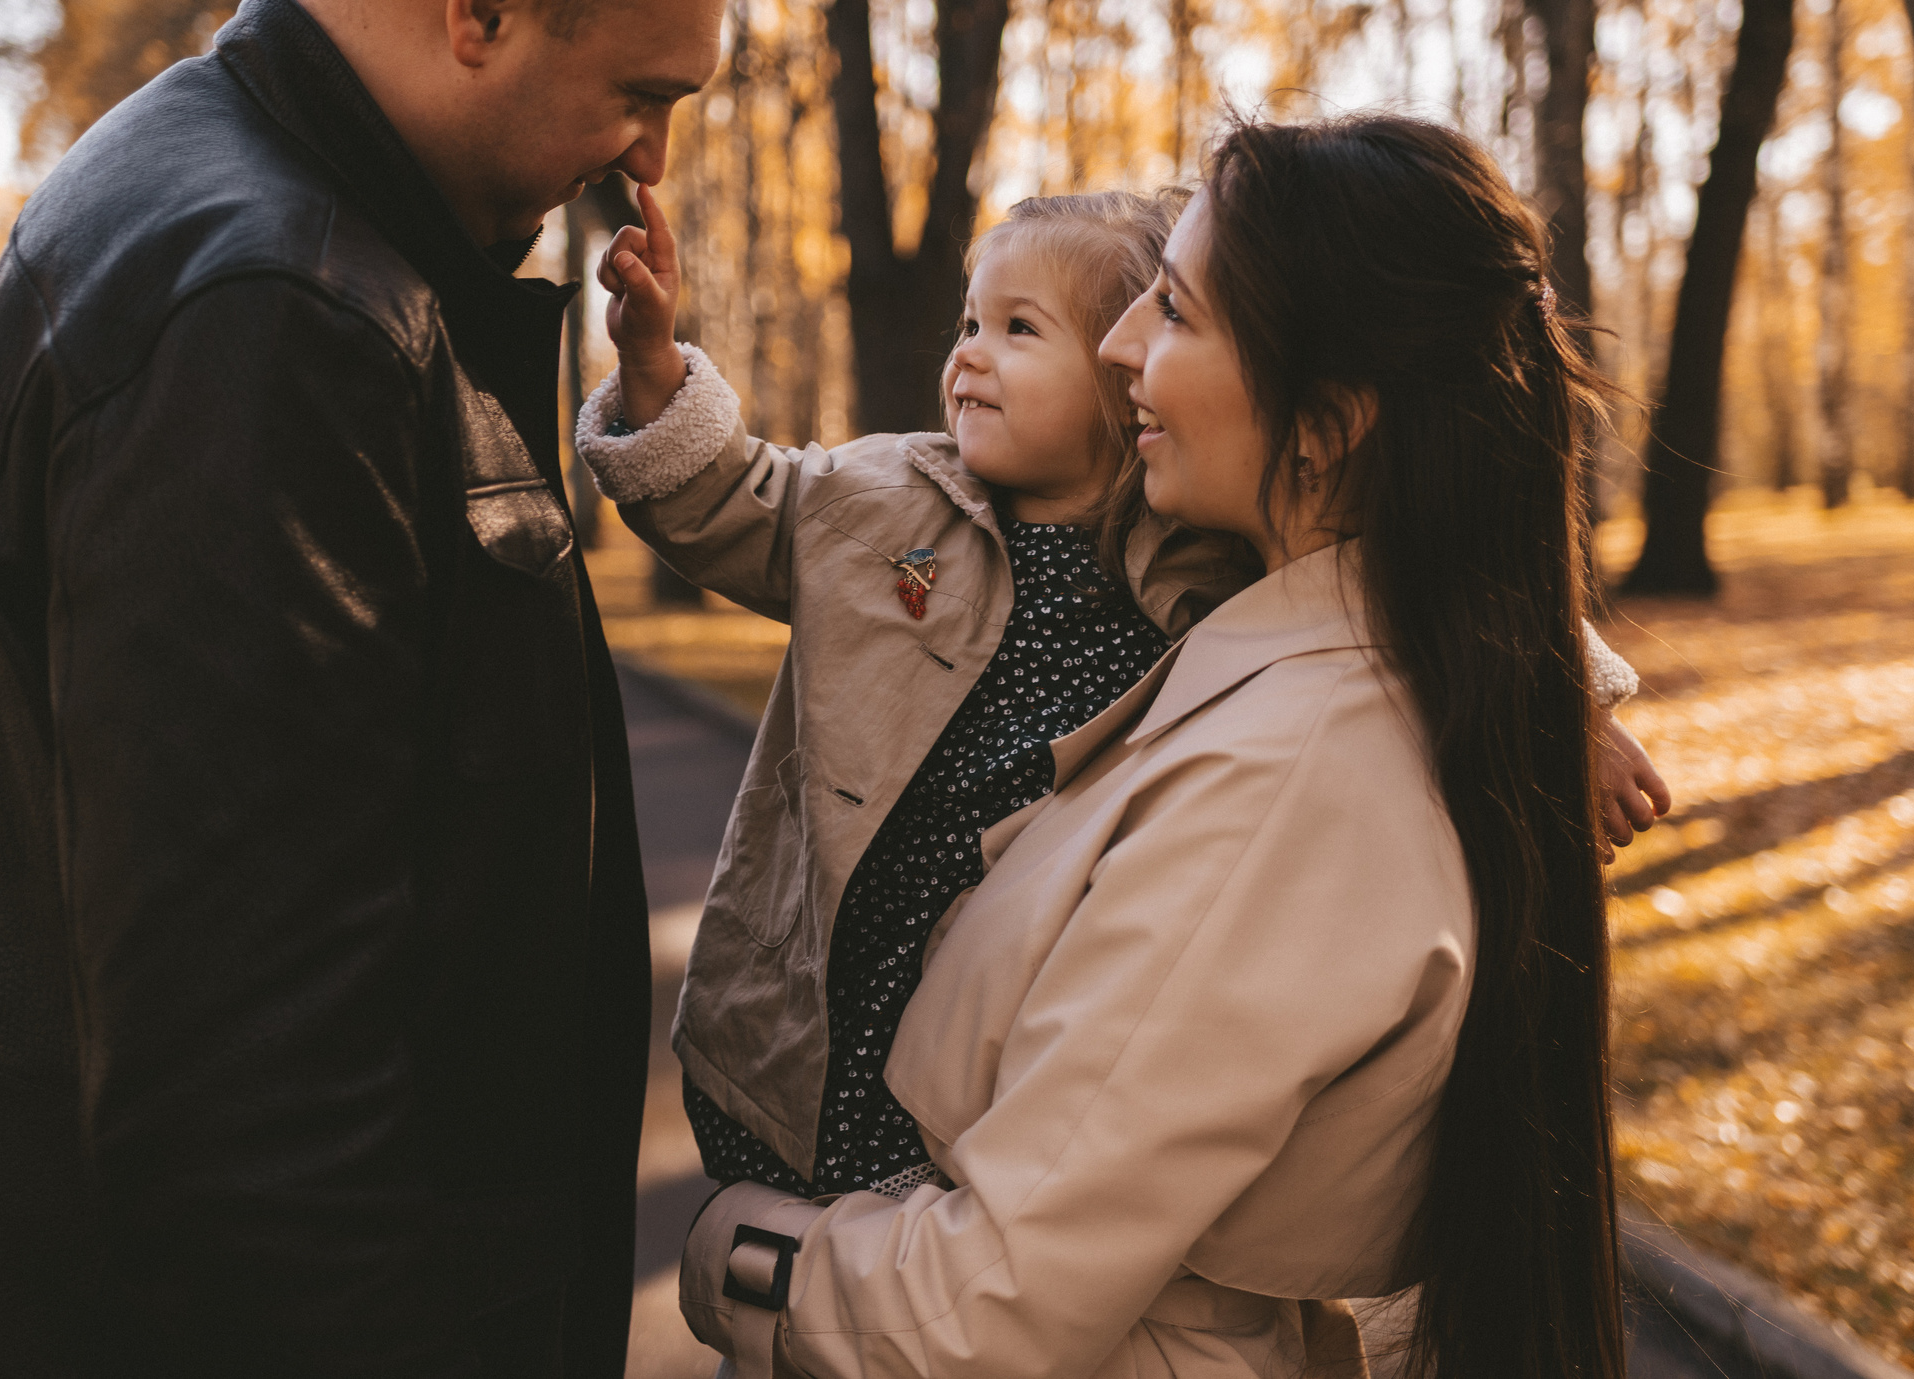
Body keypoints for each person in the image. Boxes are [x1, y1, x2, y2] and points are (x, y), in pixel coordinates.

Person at [0, 0, 729, 1379]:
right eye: (643, 92)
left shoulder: (237, 207)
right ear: (485, 7)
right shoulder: (275, 312)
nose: (646, 160)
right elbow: (252, 1108)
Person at [576, 168, 1659, 1290]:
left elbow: (1416, 567)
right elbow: (727, 498)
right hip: (824, 995)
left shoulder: (1202, 546)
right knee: (807, 1268)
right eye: (968, 323)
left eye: (1020, 329)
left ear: (1123, 375)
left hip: (999, 1026)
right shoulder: (878, 496)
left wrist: (1564, 702)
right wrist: (656, 372)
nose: (969, 355)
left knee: (947, 1237)